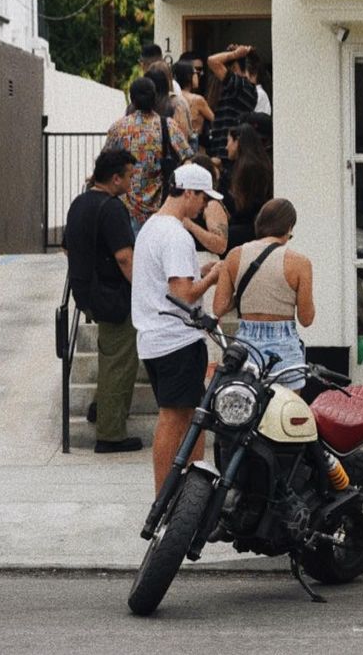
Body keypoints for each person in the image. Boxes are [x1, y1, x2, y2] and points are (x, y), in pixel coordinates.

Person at [131, 162, 223, 492]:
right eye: (203, 198)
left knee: (181, 417)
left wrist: (199, 274)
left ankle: (179, 497)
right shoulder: (176, 235)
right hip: (177, 338)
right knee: (178, 420)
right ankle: (173, 498)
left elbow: (168, 284)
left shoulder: (151, 227)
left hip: (154, 337)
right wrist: (211, 277)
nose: (204, 206)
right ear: (188, 193)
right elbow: (183, 294)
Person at [62, 147, 142, 453]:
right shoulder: (112, 208)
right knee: (120, 361)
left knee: (110, 355)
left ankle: (101, 408)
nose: (132, 183)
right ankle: (110, 434)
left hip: (87, 294)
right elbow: (124, 258)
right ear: (115, 178)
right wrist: (144, 290)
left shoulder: (79, 203)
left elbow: (67, 247)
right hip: (113, 296)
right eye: (129, 176)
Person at [213, 197, 314, 390]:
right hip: (284, 345)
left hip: (245, 345)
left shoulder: (234, 256)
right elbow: (306, 319)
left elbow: (219, 308)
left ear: (260, 223)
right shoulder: (300, 263)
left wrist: (246, 296)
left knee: (246, 406)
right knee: (288, 408)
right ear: (289, 227)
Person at [104, 75, 192, 234]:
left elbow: (105, 162)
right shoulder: (167, 125)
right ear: (155, 97)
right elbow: (187, 157)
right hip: (159, 208)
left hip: (125, 207)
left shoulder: (118, 127)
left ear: (132, 99)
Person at [225, 123, 274, 250]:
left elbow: (248, 205)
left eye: (229, 141)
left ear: (237, 141)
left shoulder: (248, 167)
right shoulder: (257, 162)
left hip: (251, 226)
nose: (226, 147)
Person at [207, 44, 260, 158]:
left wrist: (234, 54)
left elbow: (212, 61)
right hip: (227, 154)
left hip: (225, 156)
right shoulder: (248, 90)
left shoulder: (240, 85)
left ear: (235, 68)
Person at [174, 59, 214, 152]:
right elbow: (215, 119)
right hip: (195, 147)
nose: (200, 75)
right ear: (189, 76)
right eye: (196, 73)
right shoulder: (197, 100)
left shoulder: (173, 97)